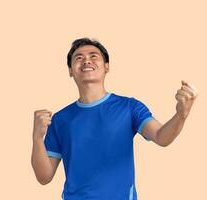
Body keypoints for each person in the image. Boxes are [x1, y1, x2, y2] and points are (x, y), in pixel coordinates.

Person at [31, 38, 198, 200]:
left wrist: (181, 115)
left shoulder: (130, 107)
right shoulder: (60, 119)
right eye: (79, 57)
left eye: (93, 56)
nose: (86, 61)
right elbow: (44, 177)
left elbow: (162, 137)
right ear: (70, 70)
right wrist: (37, 138)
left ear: (106, 67)